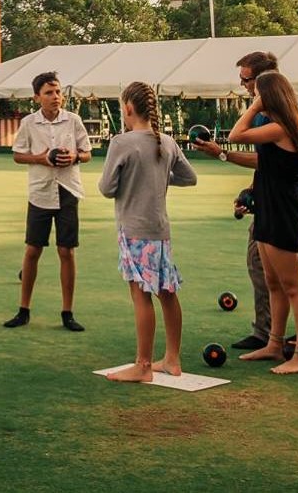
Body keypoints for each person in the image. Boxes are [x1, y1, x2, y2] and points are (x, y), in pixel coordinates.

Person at [191, 51, 298, 352]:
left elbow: (245, 141)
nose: (243, 86)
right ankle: (272, 338)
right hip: (270, 194)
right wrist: (250, 191)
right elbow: (267, 161)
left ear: (265, 82)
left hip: (288, 197)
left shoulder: (282, 115)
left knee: (291, 274)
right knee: (270, 270)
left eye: (247, 80)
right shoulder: (273, 112)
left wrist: (253, 108)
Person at [98, 81, 197, 382]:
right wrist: (157, 178)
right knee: (167, 292)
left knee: (141, 293)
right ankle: (172, 359)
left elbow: (106, 188)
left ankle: (143, 365)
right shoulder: (166, 142)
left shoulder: (121, 143)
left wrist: (137, 180)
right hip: (160, 229)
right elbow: (189, 177)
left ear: (128, 108)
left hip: (134, 229)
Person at [228, 70, 298, 374]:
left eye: (257, 94)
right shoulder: (274, 128)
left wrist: (254, 107)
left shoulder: (280, 128)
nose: (252, 97)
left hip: (283, 208)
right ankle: (275, 344)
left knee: (293, 285)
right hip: (267, 204)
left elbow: (235, 135)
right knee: (273, 283)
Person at [4, 71, 91, 332]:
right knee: (33, 251)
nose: (56, 97)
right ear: (37, 97)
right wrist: (40, 159)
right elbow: (18, 155)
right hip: (40, 192)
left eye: (58, 91)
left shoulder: (73, 120)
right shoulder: (29, 123)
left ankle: (67, 313)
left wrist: (75, 157)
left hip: (68, 190)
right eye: (49, 93)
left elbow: (87, 153)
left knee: (66, 251)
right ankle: (23, 310)